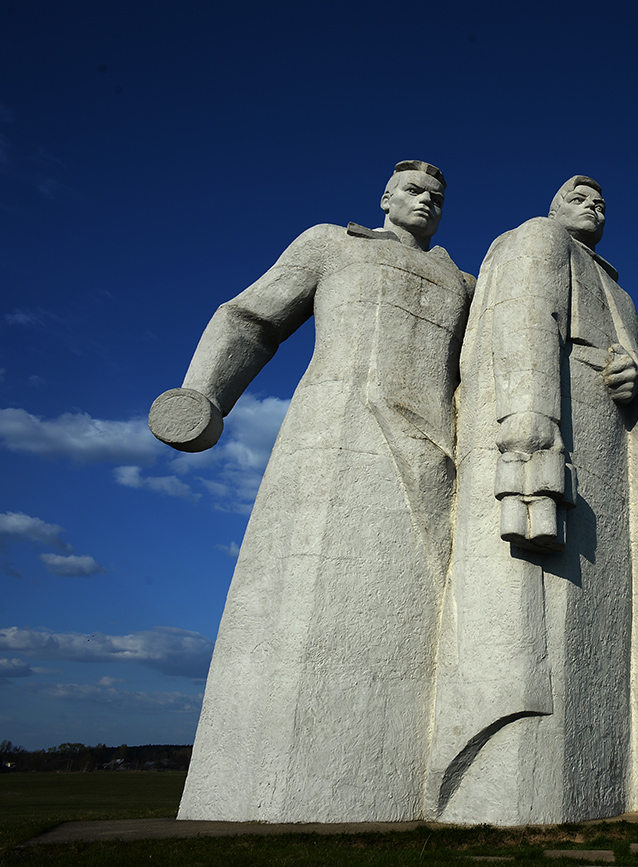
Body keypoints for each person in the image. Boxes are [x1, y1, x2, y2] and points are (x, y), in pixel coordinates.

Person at [149, 161, 475, 822]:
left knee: (410, 614)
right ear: (385, 197)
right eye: (413, 190)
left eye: (438, 197)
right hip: (331, 442)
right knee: (306, 608)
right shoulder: (332, 243)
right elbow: (250, 319)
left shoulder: (464, 282)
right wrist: (204, 392)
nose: (427, 202)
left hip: (435, 453)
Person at [424, 176, 638, 824]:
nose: (595, 205)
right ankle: (513, 785)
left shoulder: (622, 293)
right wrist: (529, 420)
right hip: (554, 429)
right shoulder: (537, 239)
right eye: (581, 196)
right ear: (554, 206)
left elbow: (633, 372)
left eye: (603, 201)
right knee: (534, 614)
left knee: (597, 627)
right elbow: (520, 318)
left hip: (605, 445)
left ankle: (591, 785)